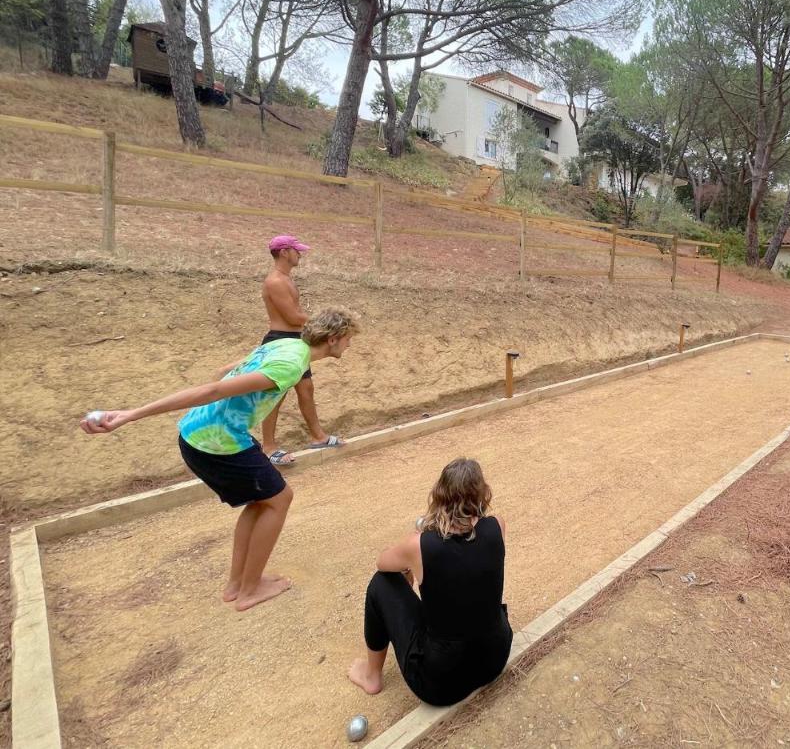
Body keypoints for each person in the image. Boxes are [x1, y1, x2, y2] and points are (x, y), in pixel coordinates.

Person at [80, 309, 359, 611]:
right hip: (216, 443)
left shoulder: (286, 345)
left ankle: (237, 584)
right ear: (332, 339)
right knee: (280, 499)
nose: (349, 346)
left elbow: (226, 370)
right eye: (348, 340)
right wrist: (130, 414)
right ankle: (250, 590)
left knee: (262, 500)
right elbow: (213, 389)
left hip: (198, 432)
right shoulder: (291, 364)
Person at [348, 458, 513, 706]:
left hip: (441, 683)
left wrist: (410, 554)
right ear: (482, 492)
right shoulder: (497, 525)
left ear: (440, 493)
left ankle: (372, 676)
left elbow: (382, 564)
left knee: (380, 584)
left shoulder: (420, 544)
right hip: (493, 660)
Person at [260, 234, 343, 466]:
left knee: (306, 389)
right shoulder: (275, 281)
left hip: (295, 338)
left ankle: (318, 436)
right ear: (285, 252)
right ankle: (268, 447)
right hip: (280, 340)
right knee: (276, 394)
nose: (300, 254)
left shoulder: (286, 279)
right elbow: (292, 316)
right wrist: (325, 322)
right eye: (296, 250)